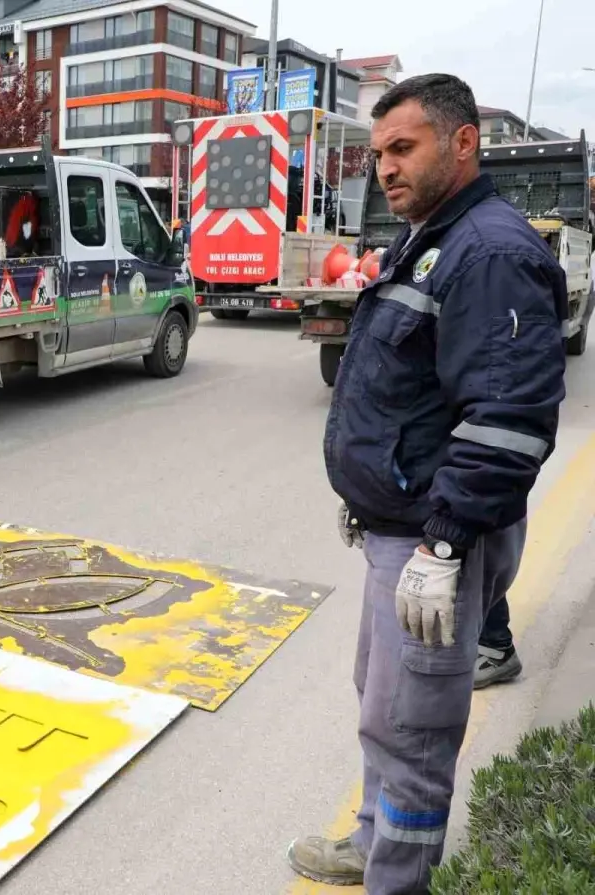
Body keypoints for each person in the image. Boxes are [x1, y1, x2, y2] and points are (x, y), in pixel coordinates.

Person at [287, 74, 567, 893]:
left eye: (403, 148)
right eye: (378, 154)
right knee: (383, 706)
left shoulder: (489, 252)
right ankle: (372, 842)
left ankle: (395, 878)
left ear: (463, 142)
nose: (385, 169)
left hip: (431, 537)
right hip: (400, 526)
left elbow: (508, 420)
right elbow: (415, 390)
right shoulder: (435, 233)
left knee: (413, 730)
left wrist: (443, 542)